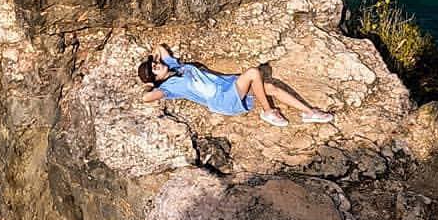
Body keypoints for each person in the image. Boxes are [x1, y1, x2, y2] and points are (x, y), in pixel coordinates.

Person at [137, 44, 334, 127]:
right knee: (252, 73)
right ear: (156, 79)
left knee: (271, 88)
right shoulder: (169, 87)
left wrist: (152, 58)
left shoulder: (173, 66)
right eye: (155, 69)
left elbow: (160, 48)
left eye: (155, 64)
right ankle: (268, 111)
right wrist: (149, 85)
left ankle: (310, 113)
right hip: (222, 99)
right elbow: (146, 98)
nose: (157, 66)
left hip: (226, 84)